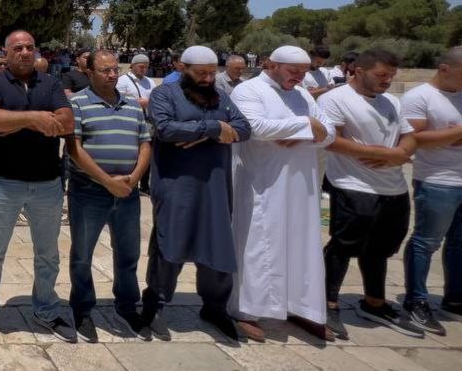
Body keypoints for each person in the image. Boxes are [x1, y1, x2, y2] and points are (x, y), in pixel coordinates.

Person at [140, 46, 251, 341]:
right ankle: (156, 306)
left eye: (212, 73)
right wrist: (214, 128)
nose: (206, 78)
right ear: (182, 67)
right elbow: (165, 129)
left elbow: (243, 128)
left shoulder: (220, 95)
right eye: (200, 73)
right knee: (170, 243)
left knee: (216, 244)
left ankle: (215, 307)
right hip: (176, 185)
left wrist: (201, 131)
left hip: (214, 185)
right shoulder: (165, 94)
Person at [0, 31, 75, 345]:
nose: (25, 52)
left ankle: (45, 309)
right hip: (4, 182)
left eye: (30, 47)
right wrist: (34, 119)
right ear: (6, 53)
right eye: (18, 48)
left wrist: (12, 123)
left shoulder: (51, 84)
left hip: (46, 184)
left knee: (48, 254)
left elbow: (66, 123)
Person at [230, 45, 336, 342]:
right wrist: (305, 126)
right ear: (270, 65)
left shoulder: (302, 95)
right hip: (262, 182)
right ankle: (247, 309)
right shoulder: (249, 90)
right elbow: (256, 127)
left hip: (301, 185)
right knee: (260, 243)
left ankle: (302, 307)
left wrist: (303, 131)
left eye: (304, 73)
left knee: (301, 243)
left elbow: (329, 133)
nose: (299, 78)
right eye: (293, 72)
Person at [316, 48, 420, 338]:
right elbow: (330, 139)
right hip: (353, 184)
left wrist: (400, 154)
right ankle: (326, 302)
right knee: (344, 245)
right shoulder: (335, 99)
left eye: (391, 75)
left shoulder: (391, 102)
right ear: (359, 71)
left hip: (394, 187)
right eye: (381, 75)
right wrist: (374, 152)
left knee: (381, 247)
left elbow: (409, 136)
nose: (387, 80)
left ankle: (375, 302)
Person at [400, 47, 462, 334]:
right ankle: (416, 300)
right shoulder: (419, 97)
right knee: (426, 242)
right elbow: (414, 139)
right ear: (445, 69)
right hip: (438, 181)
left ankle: (457, 299)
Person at [66, 48, 152, 341]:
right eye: (105, 70)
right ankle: (82, 308)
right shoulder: (77, 103)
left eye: (115, 69)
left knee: (128, 254)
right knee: (82, 255)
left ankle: (127, 306)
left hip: (127, 191)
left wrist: (134, 178)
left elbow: (145, 144)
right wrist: (107, 181)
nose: (113, 75)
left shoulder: (131, 104)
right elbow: (74, 149)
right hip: (89, 191)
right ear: (89, 72)